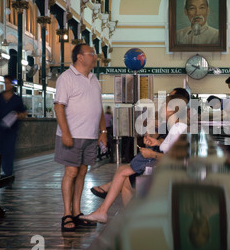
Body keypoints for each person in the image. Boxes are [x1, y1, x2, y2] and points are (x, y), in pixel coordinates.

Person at [81, 94, 189, 224]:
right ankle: (125, 218)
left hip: (167, 173)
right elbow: (170, 148)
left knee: (123, 173)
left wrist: (152, 154)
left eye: (165, 106)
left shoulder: (178, 128)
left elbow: (176, 157)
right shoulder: (177, 127)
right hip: (165, 169)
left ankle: (108, 213)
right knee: (125, 179)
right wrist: (156, 143)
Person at [53, 43, 107, 232]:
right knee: (71, 173)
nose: (95, 57)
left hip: (90, 136)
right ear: (80, 57)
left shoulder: (94, 79)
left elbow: (98, 107)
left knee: (82, 173)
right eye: (91, 54)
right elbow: (58, 106)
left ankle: (77, 212)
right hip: (72, 135)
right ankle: (67, 213)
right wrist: (66, 133)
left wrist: (103, 132)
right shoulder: (66, 78)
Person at [0, 75, 27, 177]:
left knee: (10, 150)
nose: (6, 85)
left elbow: (24, 112)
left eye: (8, 83)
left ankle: (8, 172)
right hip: (1, 129)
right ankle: (5, 171)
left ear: (12, 84)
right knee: (2, 150)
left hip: (12, 130)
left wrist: (18, 115)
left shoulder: (17, 99)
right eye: (5, 83)